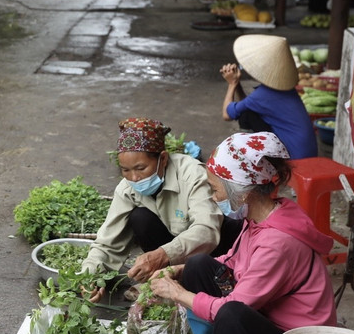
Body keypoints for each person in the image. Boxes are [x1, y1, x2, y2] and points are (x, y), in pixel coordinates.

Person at [149, 132, 337, 334]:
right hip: (271, 321)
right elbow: (235, 262)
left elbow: (233, 305)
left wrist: (177, 294)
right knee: (199, 264)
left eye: (215, 189)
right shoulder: (263, 216)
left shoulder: (279, 241)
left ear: (243, 191)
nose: (213, 197)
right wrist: (181, 268)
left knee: (232, 316)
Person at [82, 117, 242, 303]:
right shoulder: (127, 188)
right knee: (140, 218)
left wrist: (163, 254)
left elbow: (206, 230)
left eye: (141, 168)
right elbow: (107, 242)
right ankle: (163, 278)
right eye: (125, 170)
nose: (134, 177)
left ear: (163, 159)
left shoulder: (192, 175)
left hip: (212, 250)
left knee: (230, 229)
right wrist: (90, 274)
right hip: (173, 248)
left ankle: (199, 284)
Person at [221, 34, 317, 159]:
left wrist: (232, 84)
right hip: (305, 152)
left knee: (246, 115)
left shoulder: (264, 94)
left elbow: (227, 115)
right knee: (247, 112)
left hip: (295, 157)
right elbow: (247, 104)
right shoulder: (284, 89)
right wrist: (237, 84)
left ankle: (252, 159)